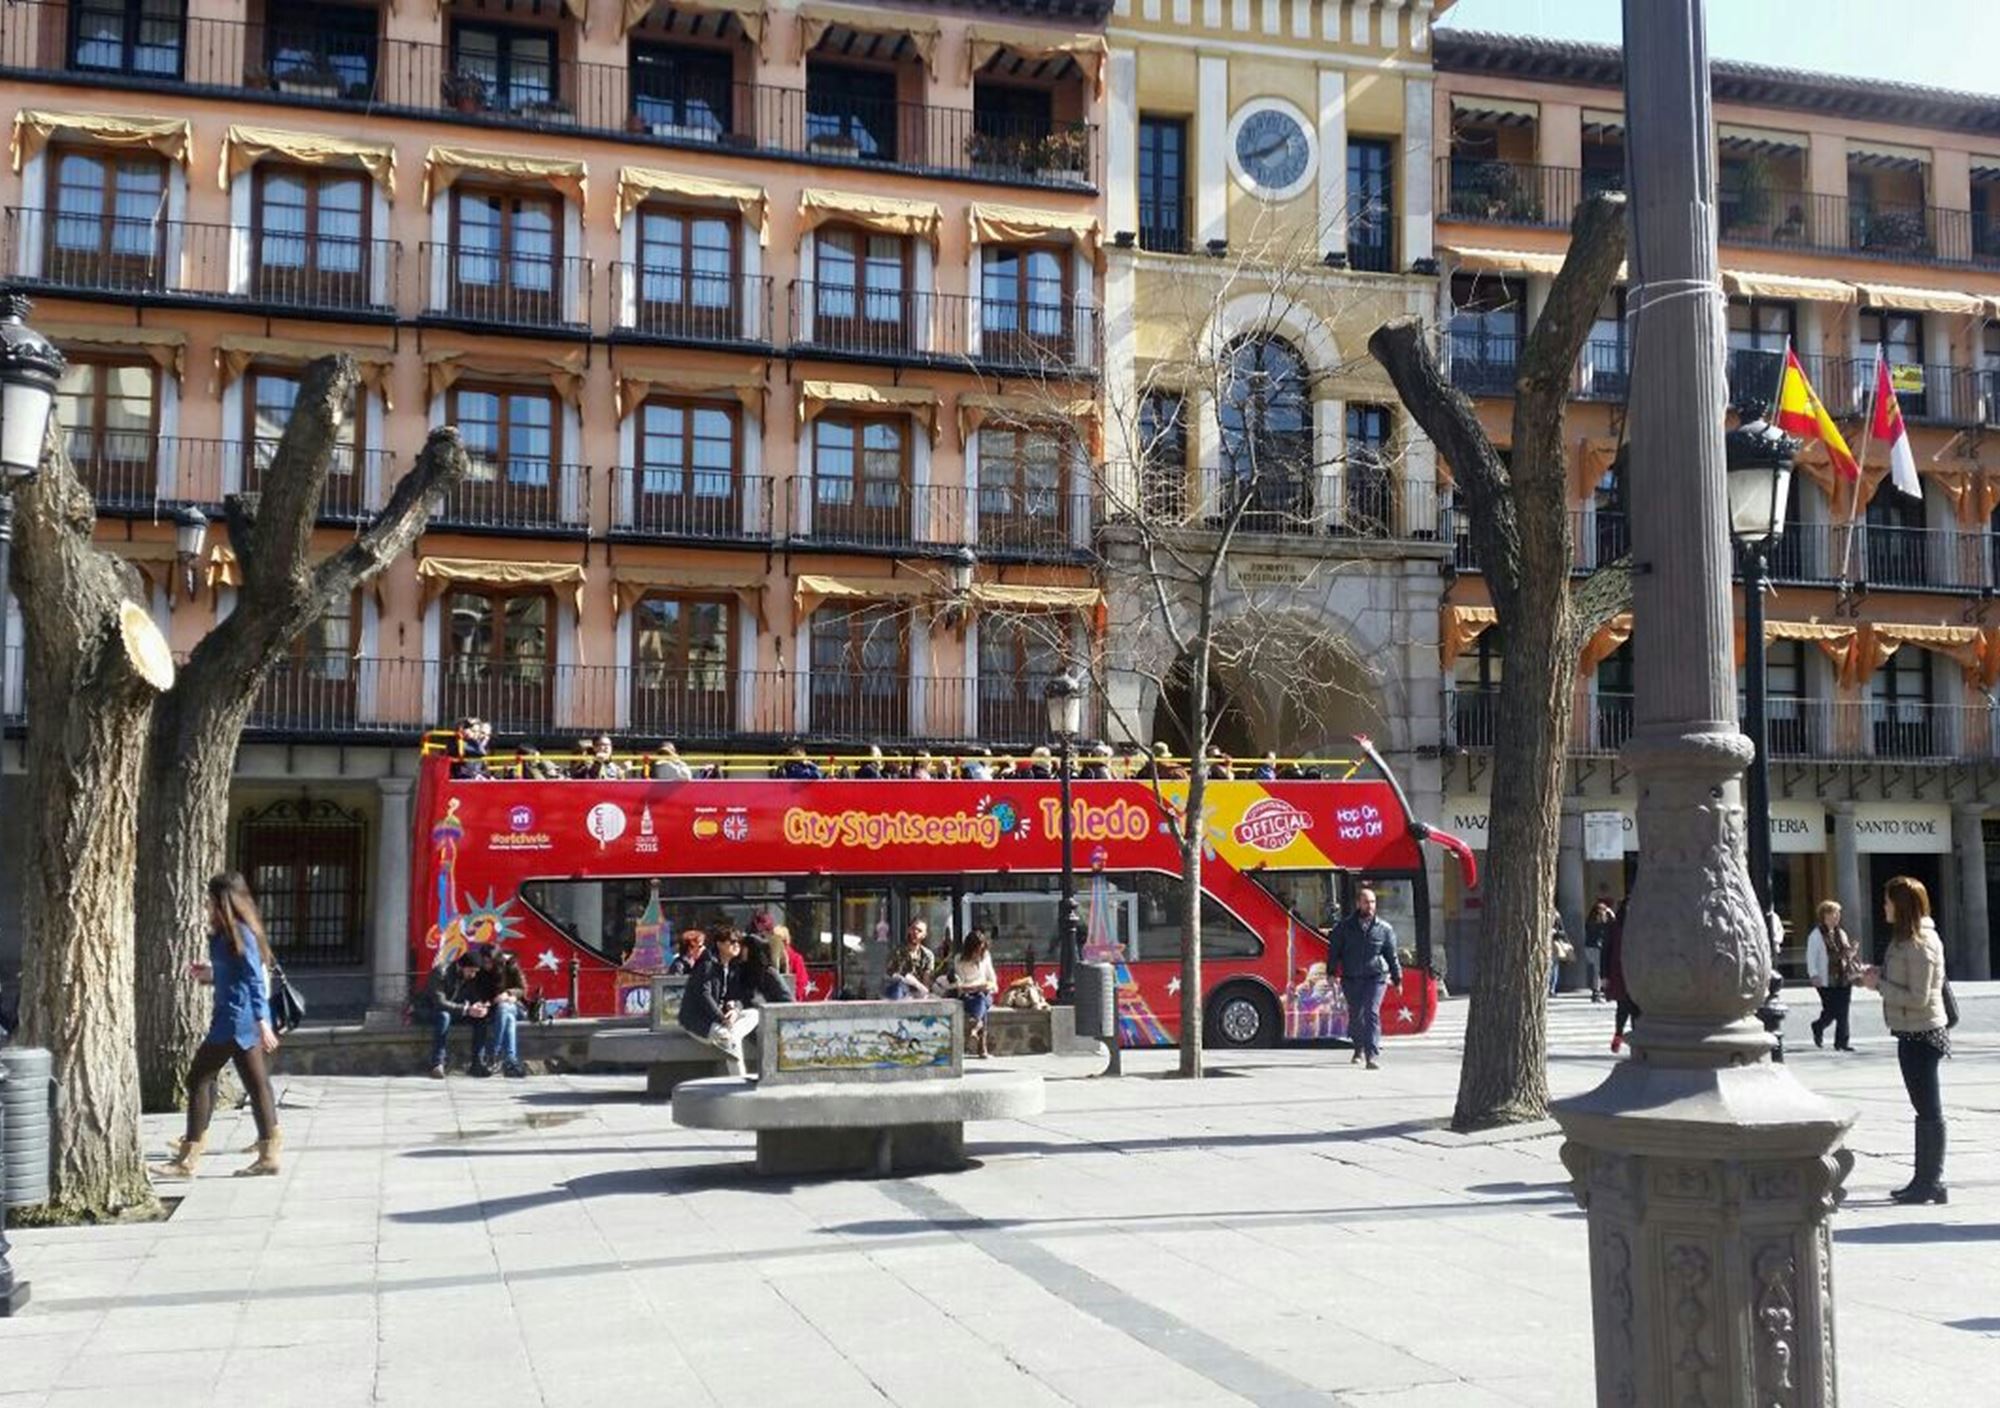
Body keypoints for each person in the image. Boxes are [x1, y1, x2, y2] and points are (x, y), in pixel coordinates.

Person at [161, 873, 283, 1178]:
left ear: (222, 901)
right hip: (234, 1018)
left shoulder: (240, 933)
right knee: (256, 1085)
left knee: (199, 1078)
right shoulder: (225, 934)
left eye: (210, 899)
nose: (206, 904)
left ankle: (188, 1157)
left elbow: (255, 979)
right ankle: (268, 1153)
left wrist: (263, 1021)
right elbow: (236, 974)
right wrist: (210, 974)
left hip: (236, 1020)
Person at [1859, 875, 1951, 1204]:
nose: (1883, 906)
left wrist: (1878, 984)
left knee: (1929, 1108)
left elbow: (1919, 998)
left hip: (1923, 1034)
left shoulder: (1921, 943)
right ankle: (1923, 1180)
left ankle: (1931, 1182)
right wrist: (1878, 975)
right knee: (1922, 1108)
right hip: (1908, 1032)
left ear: (1902, 905)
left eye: (1888, 901)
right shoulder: (1903, 940)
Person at [1328, 887, 1400, 1071]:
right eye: (1367, 902)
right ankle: (1358, 1047)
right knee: (1356, 1015)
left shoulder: (1384, 929)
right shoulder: (1344, 928)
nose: (1371, 906)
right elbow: (1334, 952)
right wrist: (1331, 973)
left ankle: (1372, 1055)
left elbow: (1392, 956)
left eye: (1373, 902)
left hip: (1376, 977)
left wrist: (1398, 979)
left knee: (1371, 1012)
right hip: (1351, 977)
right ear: (1358, 903)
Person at [678, 927, 758, 1076]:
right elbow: (704, 996)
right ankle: (739, 1080)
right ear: (720, 944)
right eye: (732, 942)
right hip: (700, 1021)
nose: (737, 946)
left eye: (739, 943)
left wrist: (735, 1010)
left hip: (722, 1020)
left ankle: (732, 1034)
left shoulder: (733, 967)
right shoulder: (707, 964)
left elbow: (736, 996)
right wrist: (722, 1018)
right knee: (727, 1038)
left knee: (754, 1014)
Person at [423, 952, 489, 1079]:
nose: (473, 975)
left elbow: (472, 996)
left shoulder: (469, 977)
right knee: (444, 1016)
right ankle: (438, 1064)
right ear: (462, 966)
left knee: (481, 1019)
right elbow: (439, 1003)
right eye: (471, 971)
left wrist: (479, 1006)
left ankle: (477, 1063)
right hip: (430, 1011)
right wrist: (467, 1009)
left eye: (475, 972)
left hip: (456, 1010)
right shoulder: (441, 972)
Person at [1806, 899, 1860, 1052]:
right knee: (1831, 1010)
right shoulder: (1816, 935)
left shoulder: (1841, 933)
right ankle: (1818, 1026)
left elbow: (1845, 953)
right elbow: (1811, 957)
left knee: (1843, 1011)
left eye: (1838, 913)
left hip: (1843, 977)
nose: (1837, 917)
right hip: (1825, 978)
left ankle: (1842, 1042)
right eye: (1834, 913)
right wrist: (1814, 974)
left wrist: (1852, 951)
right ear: (1825, 915)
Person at [475, 946, 529, 1078]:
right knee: (507, 1017)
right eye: (484, 961)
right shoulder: (481, 972)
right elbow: (481, 994)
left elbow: (523, 989)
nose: (486, 965)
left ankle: (494, 1054)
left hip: (516, 1006)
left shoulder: (510, 965)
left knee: (504, 1008)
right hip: (495, 1011)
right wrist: (486, 1002)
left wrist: (508, 994)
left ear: (496, 960)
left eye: (489, 962)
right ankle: (510, 1061)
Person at [955, 933, 999, 1058]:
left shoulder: (985, 957)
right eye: (976, 951)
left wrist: (988, 985)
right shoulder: (959, 959)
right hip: (968, 994)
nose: (978, 954)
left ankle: (975, 1023)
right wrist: (976, 987)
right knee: (981, 1001)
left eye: (981, 950)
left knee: (982, 997)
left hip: (984, 992)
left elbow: (992, 979)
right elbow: (960, 985)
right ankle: (982, 1046)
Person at [1607, 897, 1639, 1054]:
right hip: (1627, 972)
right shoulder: (1624, 928)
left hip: (1621, 972)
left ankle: (1620, 1036)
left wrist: (1605, 974)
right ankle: (1627, 1037)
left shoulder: (1615, 927)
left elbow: (1606, 952)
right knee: (1633, 1008)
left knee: (1624, 1008)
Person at [883, 918, 937, 1000]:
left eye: (919, 930)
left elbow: (927, 979)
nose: (915, 932)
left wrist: (923, 991)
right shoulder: (898, 952)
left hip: (918, 993)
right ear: (909, 930)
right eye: (913, 929)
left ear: (924, 935)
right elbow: (893, 974)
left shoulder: (927, 955)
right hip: (899, 991)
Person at [767, 922, 811, 999]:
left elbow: (802, 984)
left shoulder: (796, 959)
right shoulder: (767, 958)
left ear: (785, 941)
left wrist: (793, 999)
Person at [1583, 898, 1615, 1002]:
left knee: (1594, 970)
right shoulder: (1600, 923)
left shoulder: (1590, 921)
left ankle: (1596, 991)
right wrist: (1612, 914)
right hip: (1597, 948)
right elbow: (1613, 925)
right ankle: (1596, 993)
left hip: (1589, 947)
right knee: (1598, 971)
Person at [1548, 915, 1572, 996]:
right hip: (1544, 946)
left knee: (1554, 967)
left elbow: (1563, 932)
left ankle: (1551, 988)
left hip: (1554, 945)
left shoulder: (1557, 917)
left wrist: (1555, 932)